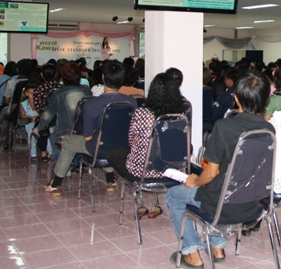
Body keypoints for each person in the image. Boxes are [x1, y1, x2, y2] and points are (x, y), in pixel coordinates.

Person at [165, 70, 274, 268]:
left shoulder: (224, 127)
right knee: (219, 187)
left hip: (222, 204)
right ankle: (217, 247)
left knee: (174, 195)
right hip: (253, 203)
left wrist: (194, 181)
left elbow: (211, 173)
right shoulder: (269, 129)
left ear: (236, 98)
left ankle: (192, 253)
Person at [44, 60, 137, 195]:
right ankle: (110, 180)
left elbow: (87, 137)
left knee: (70, 142)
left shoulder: (91, 104)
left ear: (103, 77)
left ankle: (56, 183)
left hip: (97, 148)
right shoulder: (132, 102)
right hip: (122, 148)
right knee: (108, 138)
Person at [107, 73, 185, 215]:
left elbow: (131, 141)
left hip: (142, 172)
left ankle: (136, 199)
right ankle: (156, 203)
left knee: (114, 153)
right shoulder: (181, 117)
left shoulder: (142, 113)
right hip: (171, 172)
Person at [36, 61, 92, 152]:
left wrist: (39, 128)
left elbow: (47, 115)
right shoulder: (87, 91)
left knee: (53, 136)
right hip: (84, 133)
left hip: (65, 133)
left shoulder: (58, 94)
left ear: (62, 77)